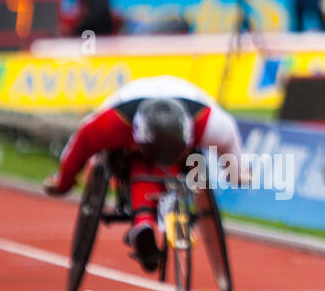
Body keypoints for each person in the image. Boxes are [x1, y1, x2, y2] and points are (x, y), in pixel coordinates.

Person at [42, 76, 243, 273]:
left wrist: (236, 172)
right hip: (130, 119)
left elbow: (230, 143)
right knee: (135, 160)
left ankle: (144, 221)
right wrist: (64, 182)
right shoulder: (110, 124)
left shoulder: (211, 124)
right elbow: (80, 145)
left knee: (172, 161)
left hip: (186, 110)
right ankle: (148, 218)